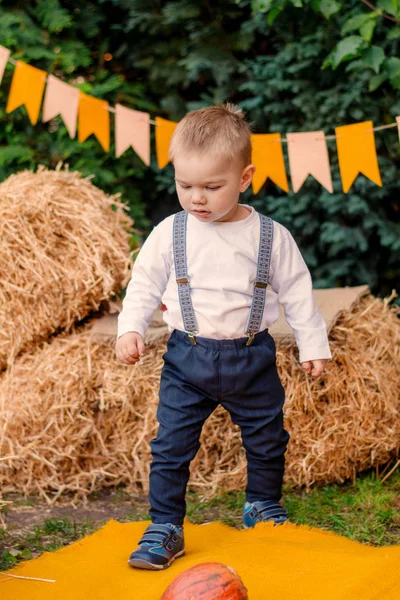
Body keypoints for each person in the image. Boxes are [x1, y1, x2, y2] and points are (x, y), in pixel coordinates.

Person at [115, 103, 331, 571]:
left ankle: (262, 506)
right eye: (184, 185)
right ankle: (165, 525)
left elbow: (297, 292)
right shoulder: (169, 232)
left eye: (212, 187)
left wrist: (314, 345)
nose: (197, 198)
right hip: (187, 359)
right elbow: (144, 283)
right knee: (170, 445)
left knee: (268, 438)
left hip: (251, 357)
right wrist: (130, 327)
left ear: (245, 176)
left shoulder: (270, 236)